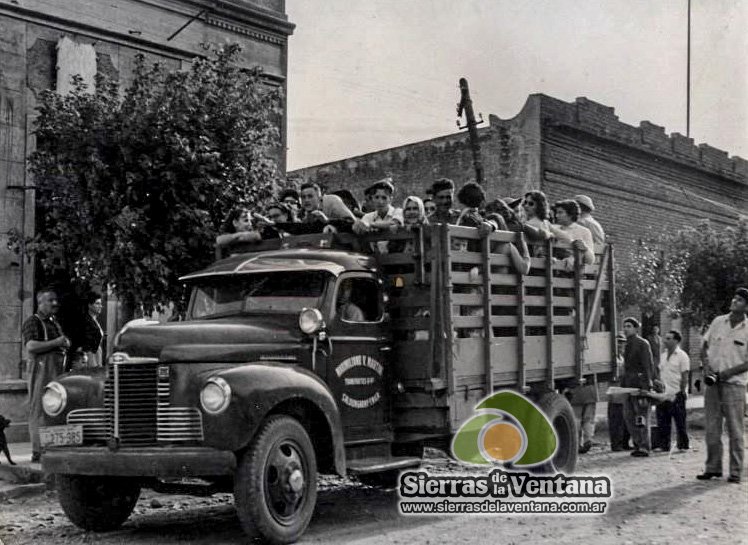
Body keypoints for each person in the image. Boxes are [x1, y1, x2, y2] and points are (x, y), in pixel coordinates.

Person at [697, 287, 748, 483]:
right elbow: (704, 345)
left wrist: (729, 372)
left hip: (734, 385)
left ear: (746, 307)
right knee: (711, 428)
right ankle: (713, 468)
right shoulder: (718, 322)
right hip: (713, 384)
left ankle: (735, 472)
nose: (734, 302)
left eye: (740, 300)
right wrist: (706, 368)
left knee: (735, 430)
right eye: (734, 298)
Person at [23, 288, 71, 463]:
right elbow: (31, 346)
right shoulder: (32, 322)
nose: (54, 303)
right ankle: (38, 450)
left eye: (55, 300)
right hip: (41, 368)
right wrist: (57, 342)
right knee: (39, 408)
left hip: (57, 368)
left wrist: (65, 343)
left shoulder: (53, 322)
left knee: (55, 407)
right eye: (50, 300)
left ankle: (52, 447)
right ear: (40, 302)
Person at [621, 317, 654, 457]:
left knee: (641, 416)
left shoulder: (642, 343)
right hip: (628, 385)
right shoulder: (626, 344)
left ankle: (644, 446)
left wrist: (647, 386)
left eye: (629, 326)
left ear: (636, 328)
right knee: (629, 416)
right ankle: (637, 443)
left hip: (640, 385)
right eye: (625, 326)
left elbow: (648, 365)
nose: (626, 329)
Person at [654, 330, 690, 452]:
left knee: (680, 420)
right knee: (663, 419)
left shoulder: (682, 356)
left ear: (676, 340)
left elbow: (685, 375)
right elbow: (660, 372)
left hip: (676, 392)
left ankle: (683, 445)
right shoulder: (663, 356)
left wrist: (682, 391)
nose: (665, 341)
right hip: (664, 393)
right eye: (666, 338)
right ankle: (664, 445)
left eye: (669, 338)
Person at [353, 178, 403, 252]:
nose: (380, 201)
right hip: (374, 258)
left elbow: (393, 223)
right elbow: (361, 226)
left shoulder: (398, 212)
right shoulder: (368, 217)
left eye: (384, 198)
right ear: (372, 199)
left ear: (390, 199)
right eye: (377, 197)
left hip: (396, 258)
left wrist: (371, 224)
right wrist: (358, 225)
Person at [549, 199, 595, 270]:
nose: (557, 215)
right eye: (556, 213)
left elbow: (591, 260)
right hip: (552, 267)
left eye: (560, 213)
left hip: (574, 272)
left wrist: (584, 249)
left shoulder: (584, 231)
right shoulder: (553, 228)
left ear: (570, 214)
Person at [608, 332, 633, 451]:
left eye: (622, 343)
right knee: (615, 420)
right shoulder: (612, 359)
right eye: (618, 343)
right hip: (615, 392)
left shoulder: (623, 358)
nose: (620, 346)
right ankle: (616, 444)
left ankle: (624, 442)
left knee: (625, 419)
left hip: (624, 392)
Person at [78, 291, 104, 368]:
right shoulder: (85, 321)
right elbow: (86, 344)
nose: (100, 306)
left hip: (97, 355)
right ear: (89, 305)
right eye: (97, 303)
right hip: (90, 358)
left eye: (101, 304)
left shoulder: (94, 320)